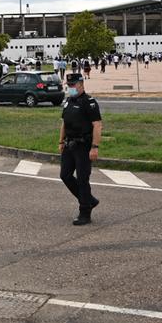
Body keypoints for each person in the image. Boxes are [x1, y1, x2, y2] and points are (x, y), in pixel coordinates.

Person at [59, 73, 102, 226]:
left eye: (73, 85)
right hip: (69, 145)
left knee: (83, 179)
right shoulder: (68, 101)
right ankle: (89, 200)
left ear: (81, 85)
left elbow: (97, 125)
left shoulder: (89, 102)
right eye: (68, 85)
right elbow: (64, 123)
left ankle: (85, 212)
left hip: (84, 146)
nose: (70, 88)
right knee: (65, 175)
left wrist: (95, 147)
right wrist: (61, 141)